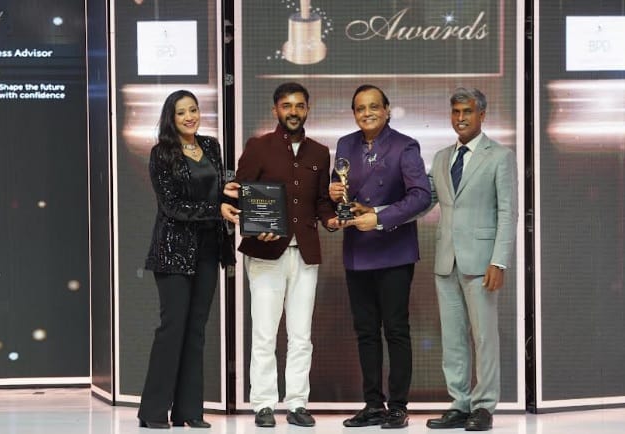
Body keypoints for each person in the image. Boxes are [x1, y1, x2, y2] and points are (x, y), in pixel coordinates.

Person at [221, 82, 338, 428]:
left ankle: (298, 403)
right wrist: (254, 227)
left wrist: (332, 219)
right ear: (276, 110)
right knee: (265, 332)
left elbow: (321, 202)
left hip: (305, 253)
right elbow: (242, 195)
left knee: (301, 335)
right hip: (265, 252)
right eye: (287, 106)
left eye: (299, 105)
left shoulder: (320, 152)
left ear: (308, 109)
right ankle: (263, 404)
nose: (293, 112)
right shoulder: (258, 146)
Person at [328, 84, 431, 429]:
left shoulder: (405, 145)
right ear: (353, 113)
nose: (367, 113)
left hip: (394, 251)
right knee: (366, 331)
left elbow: (421, 196)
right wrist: (334, 194)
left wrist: (379, 216)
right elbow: (341, 191)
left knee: (396, 330)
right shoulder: (345, 144)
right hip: (357, 250)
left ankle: (398, 406)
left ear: (387, 110)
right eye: (360, 108)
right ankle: (373, 404)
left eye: (374, 106)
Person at [138, 90, 235, 429]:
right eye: (181, 113)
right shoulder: (161, 153)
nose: (190, 117)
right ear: (171, 118)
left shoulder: (211, 147)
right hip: (173, 252)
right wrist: (217, 208)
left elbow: (217, 191)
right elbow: (172, 206)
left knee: (196, 331)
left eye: (193, 110)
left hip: (209, 249)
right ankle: (152, 412)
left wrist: (229, 192)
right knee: (173, 329)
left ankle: (189, 411)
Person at [425, 88, 518, 431]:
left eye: (467, 111)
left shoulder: (500, 156)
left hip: (481, 263)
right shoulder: (440, 158)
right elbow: (422, 201)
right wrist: (378, 214)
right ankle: (460, 404)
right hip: (446, 260)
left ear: (482, 115)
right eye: (455, 112)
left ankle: (484, 406)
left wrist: (499, 261)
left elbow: (508, 213)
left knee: (484, 337)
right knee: (452, 338)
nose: (460, 118)